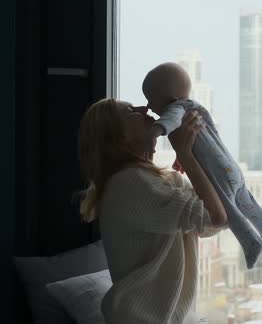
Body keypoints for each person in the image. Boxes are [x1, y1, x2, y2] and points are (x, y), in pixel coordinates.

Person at [78, 98, 227, 323]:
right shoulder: (129, 183)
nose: (144, 108)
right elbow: (216, 218)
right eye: (131, 111)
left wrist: (193, 158)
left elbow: (212, 225)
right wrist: (186, 155)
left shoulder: (158, 181)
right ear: (120, 136)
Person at [141, 62, 262, 269]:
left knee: (232, 212)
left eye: (151, 100)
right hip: (231, 168)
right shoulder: (195, 109)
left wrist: (154, 133)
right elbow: (203, 144)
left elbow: (170, 120)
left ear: (172, 100)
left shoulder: (177, 109)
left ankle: (252, 243)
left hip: (219, 175)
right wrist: (183, 155)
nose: (149, 106)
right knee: (248, 202)